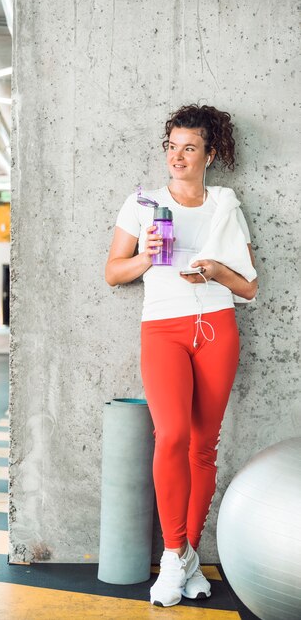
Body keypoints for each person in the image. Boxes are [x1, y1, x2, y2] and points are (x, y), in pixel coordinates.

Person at [105, 104, 258, 608]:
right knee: (170, 434)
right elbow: (112, 272)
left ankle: (186, 553)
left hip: (217, 326)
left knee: (203, 446)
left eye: (189, 148)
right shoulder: (143, 202)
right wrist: (147, 256)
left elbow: (250, 287)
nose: (177, 156)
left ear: (210, 154)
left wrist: (214, 271)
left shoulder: (226, 206)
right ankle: (174, 556)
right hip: (163, 327)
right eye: (171, 146)